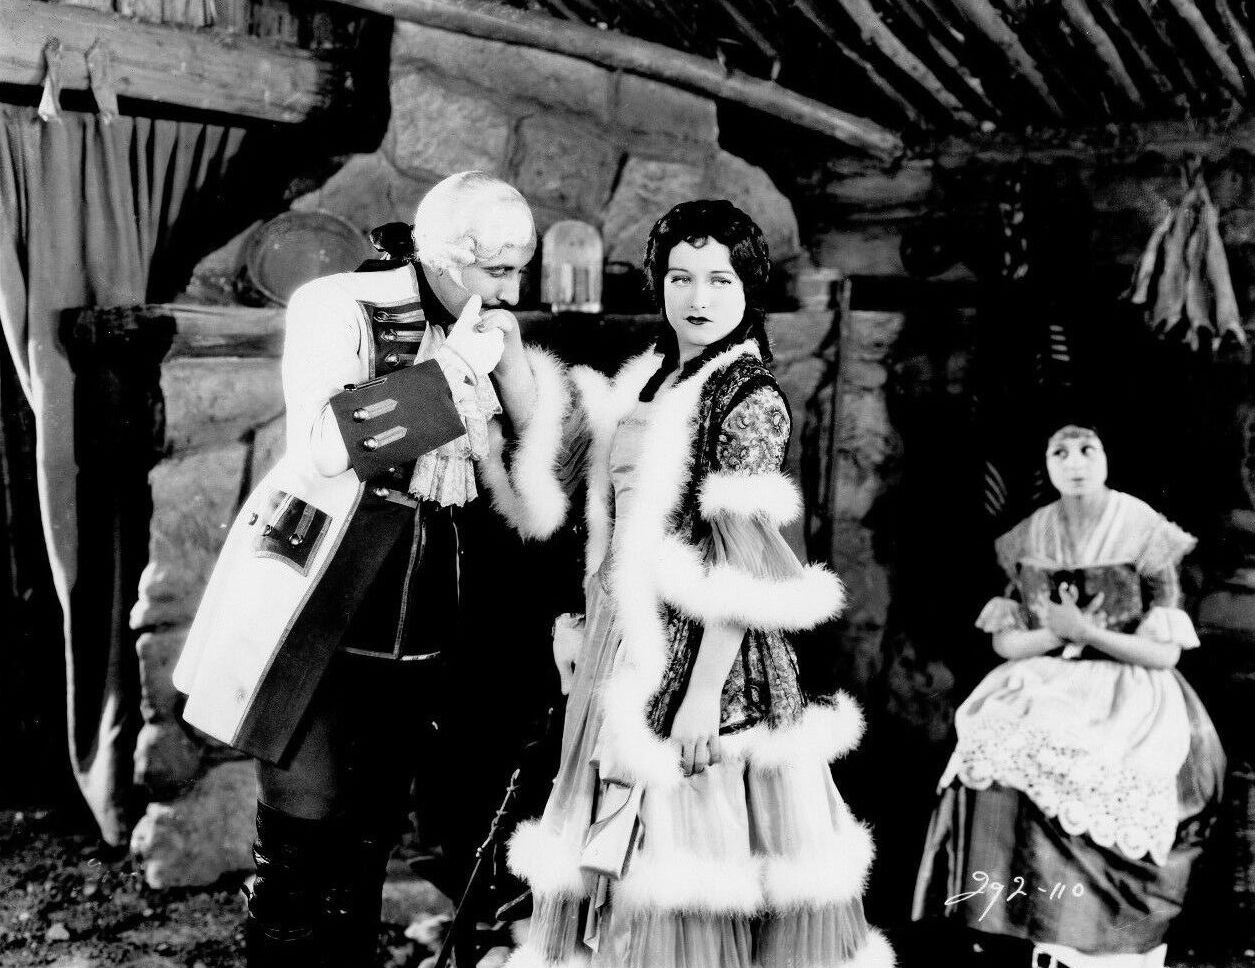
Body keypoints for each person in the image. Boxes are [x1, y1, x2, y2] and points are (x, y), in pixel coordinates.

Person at [172, 171, 569, 967]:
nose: (510, 291)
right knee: (299, 839)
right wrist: (456, 368)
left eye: (518, 270)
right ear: (445, 256)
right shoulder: (335, 304)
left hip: (429, 608)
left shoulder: (490, 328)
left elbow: (539, 478)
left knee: (369, 838)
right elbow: (329, 444)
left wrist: (515, 376)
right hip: (321, 595)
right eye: (496, 270)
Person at [498, 200, 893, 968]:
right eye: (681, 277)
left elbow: (741, 568)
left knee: (683, 868)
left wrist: (703, 693)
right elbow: (577, 479)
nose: (698, 297)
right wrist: (509, 354)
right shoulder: (651, 376)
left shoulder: (748, 398)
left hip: (702, 651)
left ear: (748, 288)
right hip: (618, 635)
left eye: (719, 279)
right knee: (612, 858)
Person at [912, 423, 1226, 968]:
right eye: (1060, 452)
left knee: (1106, 758)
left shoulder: (1145, 529)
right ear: (1048, 464)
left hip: (1132, 682)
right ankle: (1011, 922)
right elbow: (1006, 642)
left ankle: (1093, 939)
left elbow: (1165, 654)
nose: (1075, 462)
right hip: (1046, 674)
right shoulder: (1031, 535)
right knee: (989, 740)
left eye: (1087, 449)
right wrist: (1058, 635)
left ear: (1106, 457)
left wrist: (1087, 632)